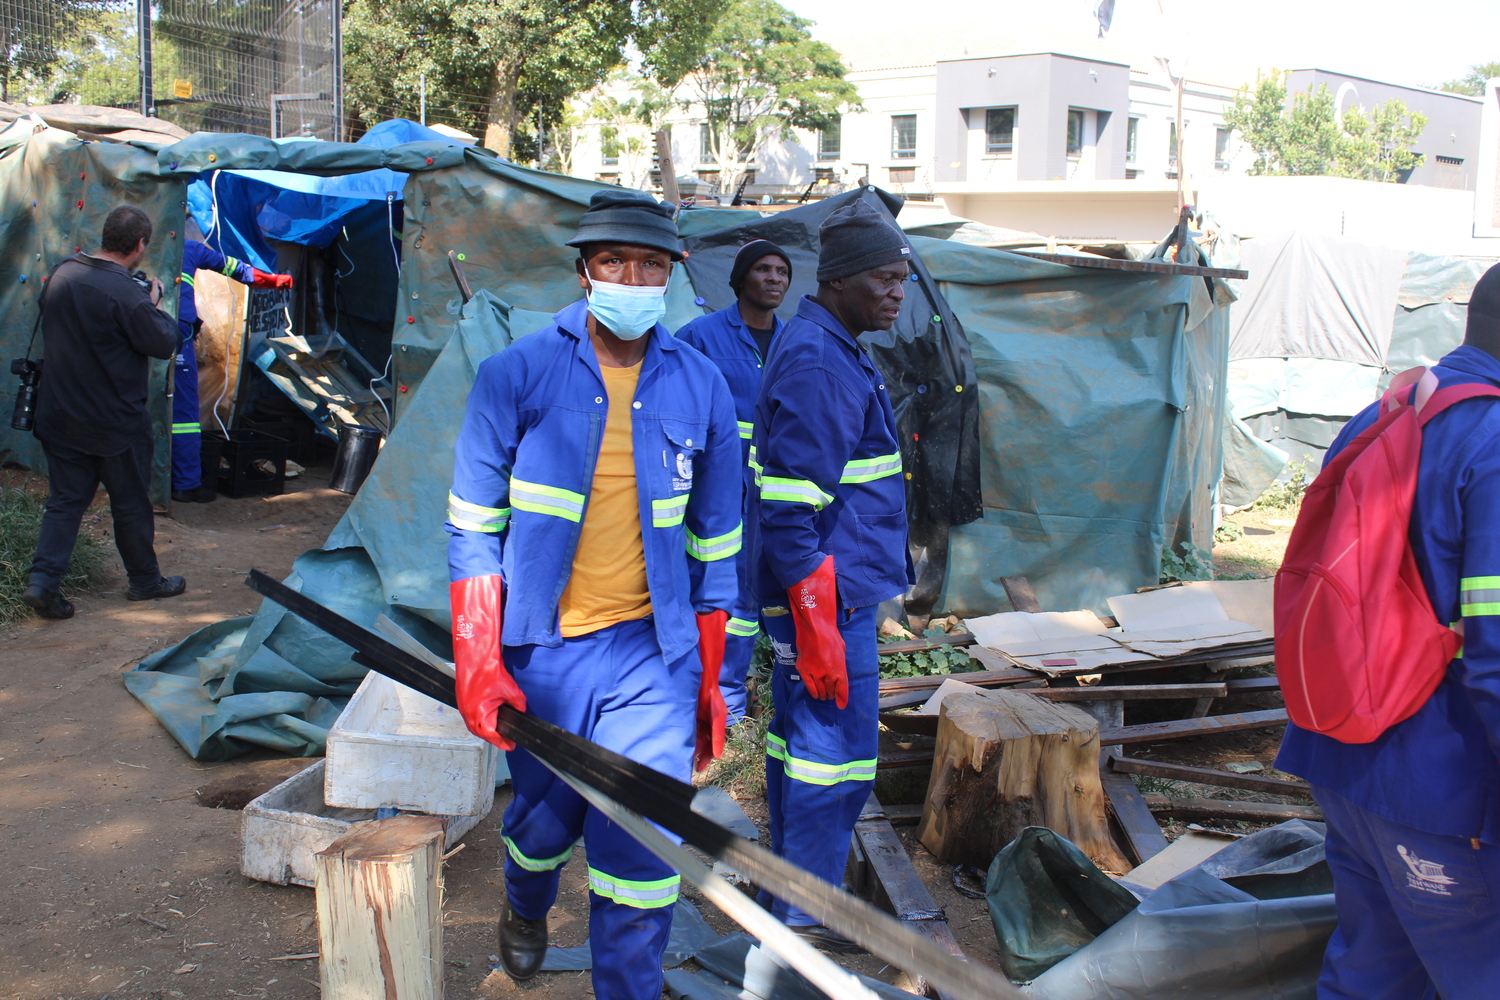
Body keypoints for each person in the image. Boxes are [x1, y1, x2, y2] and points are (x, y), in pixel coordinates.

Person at [445, 189, 741, 999]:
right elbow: (472, 528)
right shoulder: (516, 375)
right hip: (544, 652)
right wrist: (478, 656)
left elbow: (718, 543)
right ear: (584, 272)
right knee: (542, 829)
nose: (633, 278)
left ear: (672, 276)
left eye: (651, 265)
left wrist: (720, 672)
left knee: (640, 857)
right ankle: (526, 904)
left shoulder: (703, 386)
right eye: (615, 261)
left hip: (654, 656)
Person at [1275, 261, 1500, 1000]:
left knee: (1373, 973)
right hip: (1445, 789)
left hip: (1347, 758)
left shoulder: (1389, 412)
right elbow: (1494, 656)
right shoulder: (1494, 442)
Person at [751, 199, 914, 950]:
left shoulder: (832, 344)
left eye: (903, 278)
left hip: (829, 595)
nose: (897, 293)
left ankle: (795, 892)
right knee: (832, 760)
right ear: (843, 281)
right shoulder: (820, 361)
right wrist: (816, 628)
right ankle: (804, 921)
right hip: (828, 601)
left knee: (799, 747)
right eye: (885, 278)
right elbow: (788, 512)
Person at [23, 206, 186, 620]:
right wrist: (152, 303)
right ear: (140, 245)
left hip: (59, 415)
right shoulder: (128, 293)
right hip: (114, 424)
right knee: (130, 504)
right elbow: (164, 342)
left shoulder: (62, 274)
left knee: (64, 503)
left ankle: (42, 583)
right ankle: (145, 582)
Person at [675, 240, 792, 721]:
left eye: (782, 271)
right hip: (718, 488)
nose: (774, 279)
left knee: (765, 593)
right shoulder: (700, 337)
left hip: (779, 491)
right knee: (719, 589)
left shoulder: (794, 341)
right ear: (740, 279)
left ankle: (737, 701)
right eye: (763, 269)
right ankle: (716, 699)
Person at [171, 240, 293, 503]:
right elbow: (242, 271)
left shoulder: (133, 244)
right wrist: (278, 281)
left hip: (134, 333)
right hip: (176, 337)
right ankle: (185, 484)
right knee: (183, 416)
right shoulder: (188, 247)